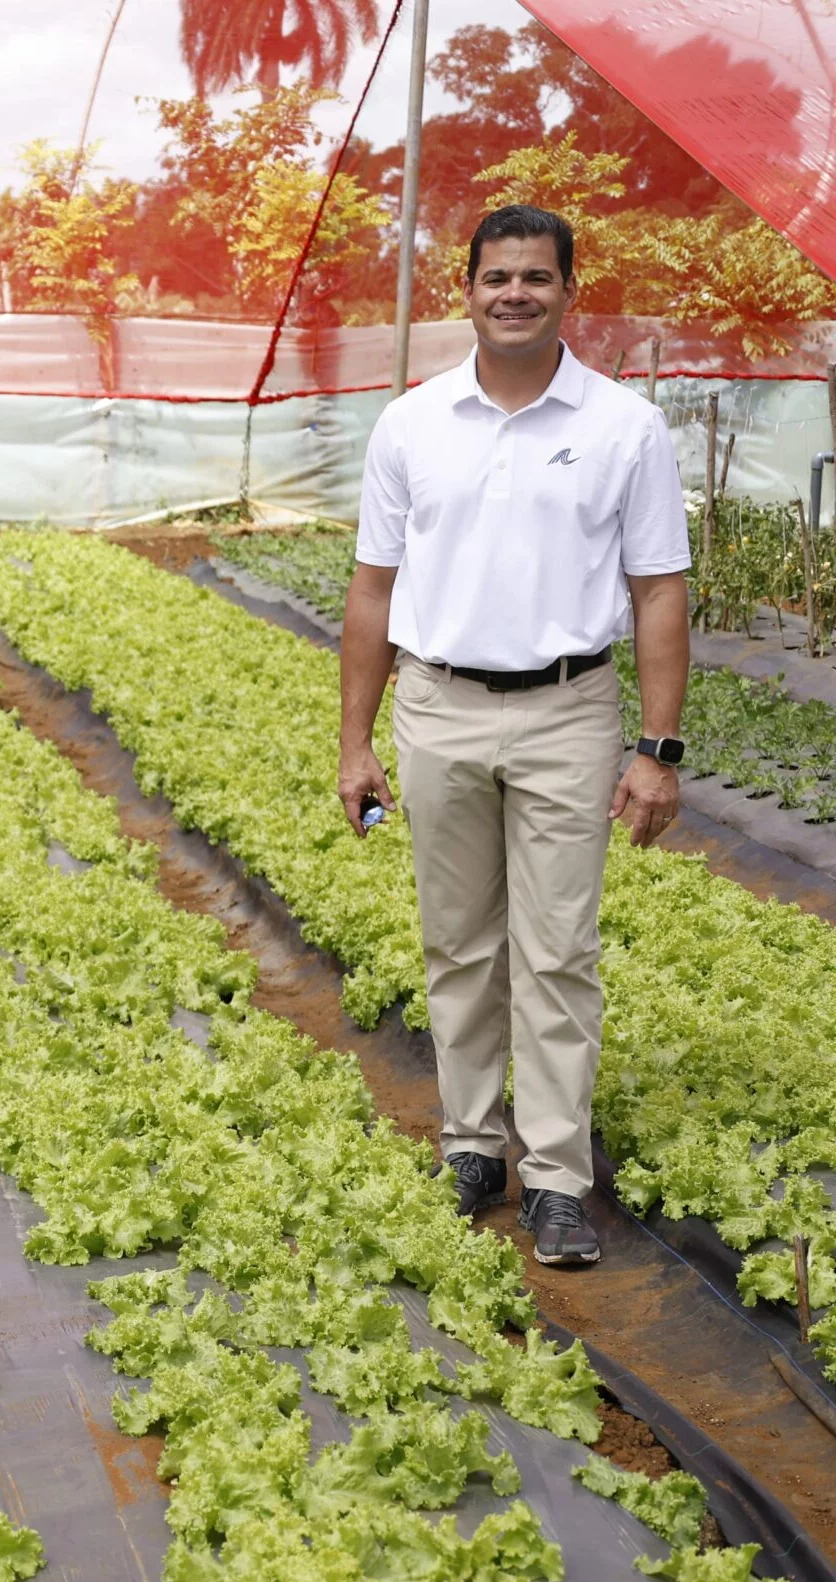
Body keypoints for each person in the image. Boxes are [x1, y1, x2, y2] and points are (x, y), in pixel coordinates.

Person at [338, 204, 689, 1269]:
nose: (515, 294)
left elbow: (659, 591)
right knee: (458, 942)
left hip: (566, 710)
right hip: (438, 704)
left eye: (537, 277)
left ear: (568, 292)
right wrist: (354, 741)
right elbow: (370, 590)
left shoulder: (624, 426)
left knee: (557, 953)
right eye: (498, 277)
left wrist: (656, 750)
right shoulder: (411, 423)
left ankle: (553, 1178)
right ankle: (468, 1147)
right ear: (467, 288)